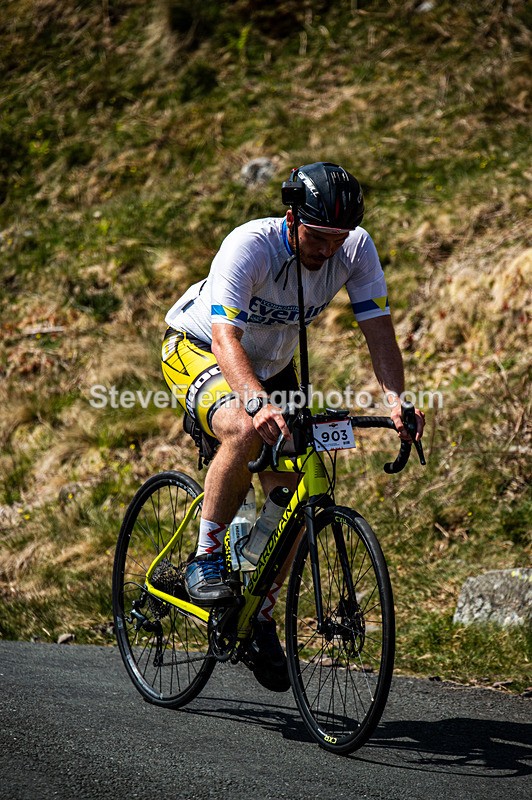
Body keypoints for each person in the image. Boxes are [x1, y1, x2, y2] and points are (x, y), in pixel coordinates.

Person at [161, 161, 425, 691]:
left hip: (276, 366)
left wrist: (398, 401)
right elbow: (224, 339)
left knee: (295, 494)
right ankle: (206, 558)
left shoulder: (354, 248)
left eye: (339, 237)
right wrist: (257, 405)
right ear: (290, 217)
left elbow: (377, 328)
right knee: (240, 428)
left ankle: (257, 609)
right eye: (319, 236)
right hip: (198, 349)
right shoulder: (249, 247)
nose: (329, 249)